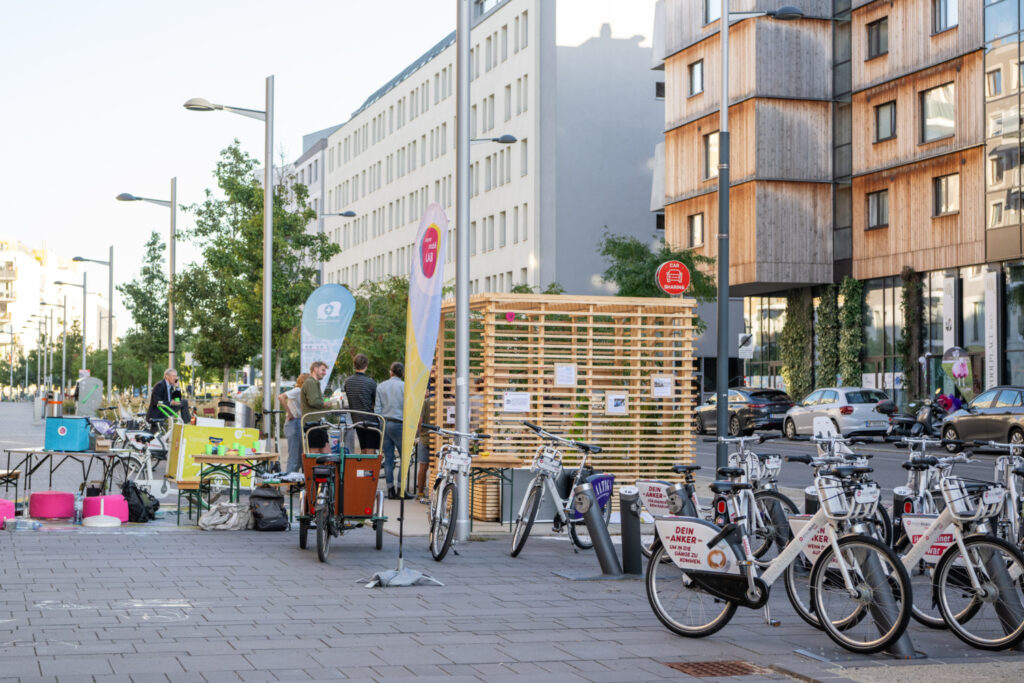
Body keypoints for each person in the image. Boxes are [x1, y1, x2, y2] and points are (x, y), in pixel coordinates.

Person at [374, 362, 405, 499]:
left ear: (391, 372)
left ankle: (390, 489)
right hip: (399, 423)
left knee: (388, 458)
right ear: (402, 373)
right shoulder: (405, 387)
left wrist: (382, 423)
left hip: (385, 423)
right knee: (404, 457)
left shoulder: (381, 386)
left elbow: (377, 409)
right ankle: (401, 489)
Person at [344, 354, 379, 454]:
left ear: (354, 365)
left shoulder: (348, 382)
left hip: (357, 420)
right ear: (366, 366)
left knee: (363, 448)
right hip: (370, 420)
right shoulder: (370, 382)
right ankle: (369, 469)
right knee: (371, 448)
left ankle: (363, 469)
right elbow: (375, 401)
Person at [279, 373, 310, 473]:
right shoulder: (298, 390)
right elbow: (281, 397)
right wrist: (289, 413)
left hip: (298, 423)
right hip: (293, 423)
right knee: (294, 456)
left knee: (300, 456)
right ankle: (289, 484)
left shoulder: (302, 392)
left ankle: (295, 482)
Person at [300, 362, 331, 454]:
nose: (325, 373)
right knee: (315, 454)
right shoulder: (310, 382)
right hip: (313, 424)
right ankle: (310, 468)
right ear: (315, 369)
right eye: (323, 370)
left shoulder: (314, 383)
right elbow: (313, 401)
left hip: (318, 423)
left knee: (327, 454)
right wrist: (325, 403)